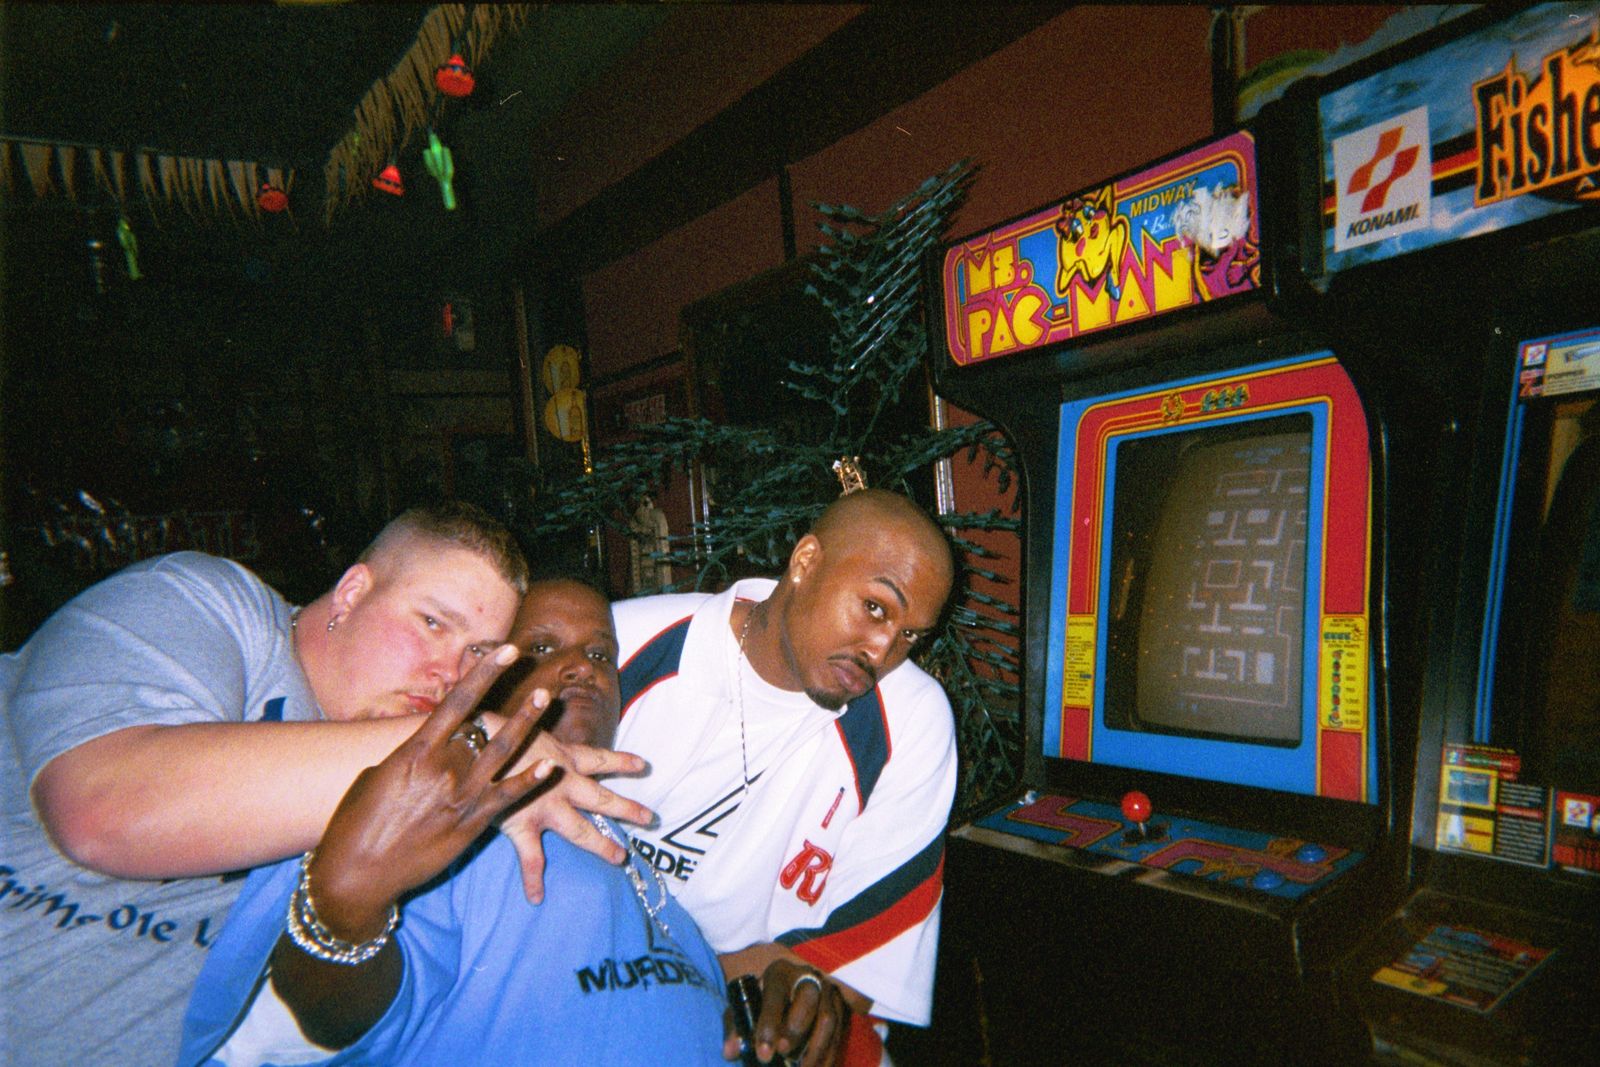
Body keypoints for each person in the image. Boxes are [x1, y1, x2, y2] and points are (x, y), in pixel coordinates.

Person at [1, 504, 649, 1065]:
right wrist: (482, 741)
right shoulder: (210, 605)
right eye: (432, 623)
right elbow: (102, 809)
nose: (451, 674)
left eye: (480, 654)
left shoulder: (418, 779)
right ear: (351, 592)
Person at [180, 578, 762, 1066]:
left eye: (600, 655)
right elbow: (311, 1028)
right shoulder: (446, 818)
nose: (580, 669)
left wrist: (761, 990)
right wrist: (344, 908)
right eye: (540, 648)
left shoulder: (620, 842)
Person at [608, 488, 958, 1060]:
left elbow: (852, 976)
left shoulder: (911, 718)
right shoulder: (623, 647)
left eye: (910, 635)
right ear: (805, 561)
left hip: (763, 1037)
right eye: (875, 608)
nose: (881, 652)